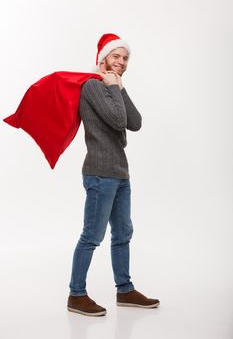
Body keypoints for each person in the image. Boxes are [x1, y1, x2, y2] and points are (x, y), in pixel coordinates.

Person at [67, 33, 160, 316]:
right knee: (92, 235)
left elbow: (135, 122)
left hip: (120, 173)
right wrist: (113, 87)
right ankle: (76, 295)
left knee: (123, 233)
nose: (121, 62)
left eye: (125, 57)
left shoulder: (111, 85)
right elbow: (118, 119)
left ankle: (125, 290)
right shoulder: (93, 87)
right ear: (103, 58)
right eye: (115, 56)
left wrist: (119, 87)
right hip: (100, 173)